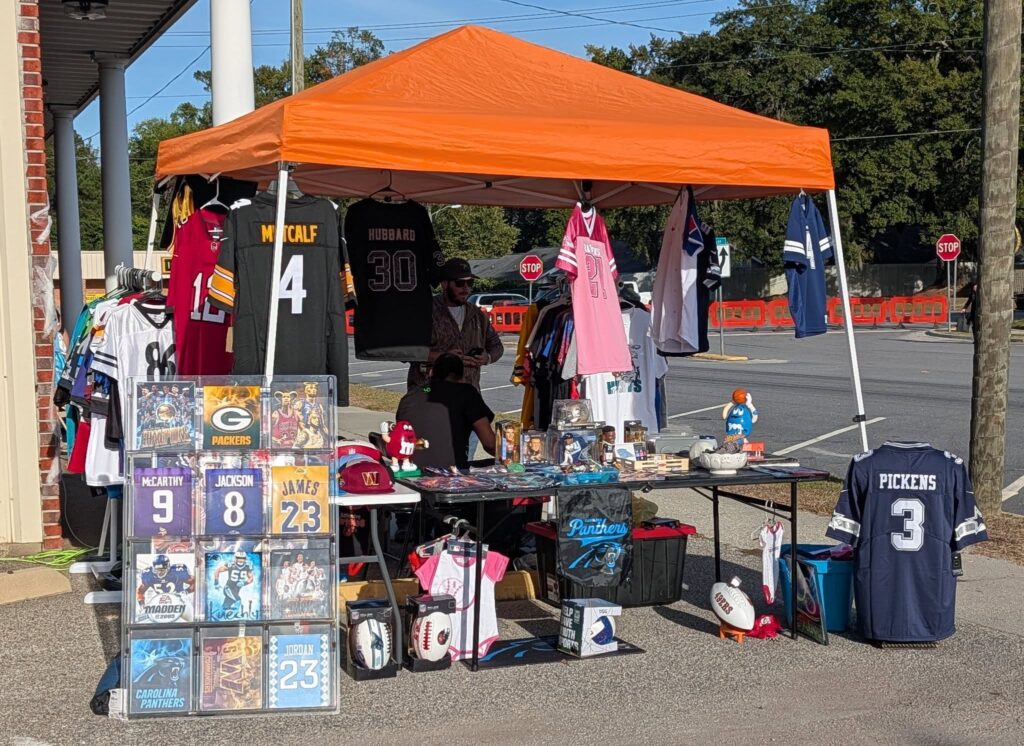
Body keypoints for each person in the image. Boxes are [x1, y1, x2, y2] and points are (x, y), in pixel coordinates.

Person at [407, 258, 504, 392]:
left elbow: (497, 346)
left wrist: (487, 358)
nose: (466, 288)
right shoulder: (424, 312)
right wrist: (441, 356)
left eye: (470, 283)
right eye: (460, 283)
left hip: (467, 393)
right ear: (444, 284)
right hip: (428, 392)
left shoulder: (477, 315)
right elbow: (407, 350)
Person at [396, 353, 496, 470]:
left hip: (409, 469)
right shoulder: (467, 393)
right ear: (461, 377)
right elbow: (490, 444)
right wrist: (510, 455)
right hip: (451, 473)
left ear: (431, 372)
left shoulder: (410, 397)